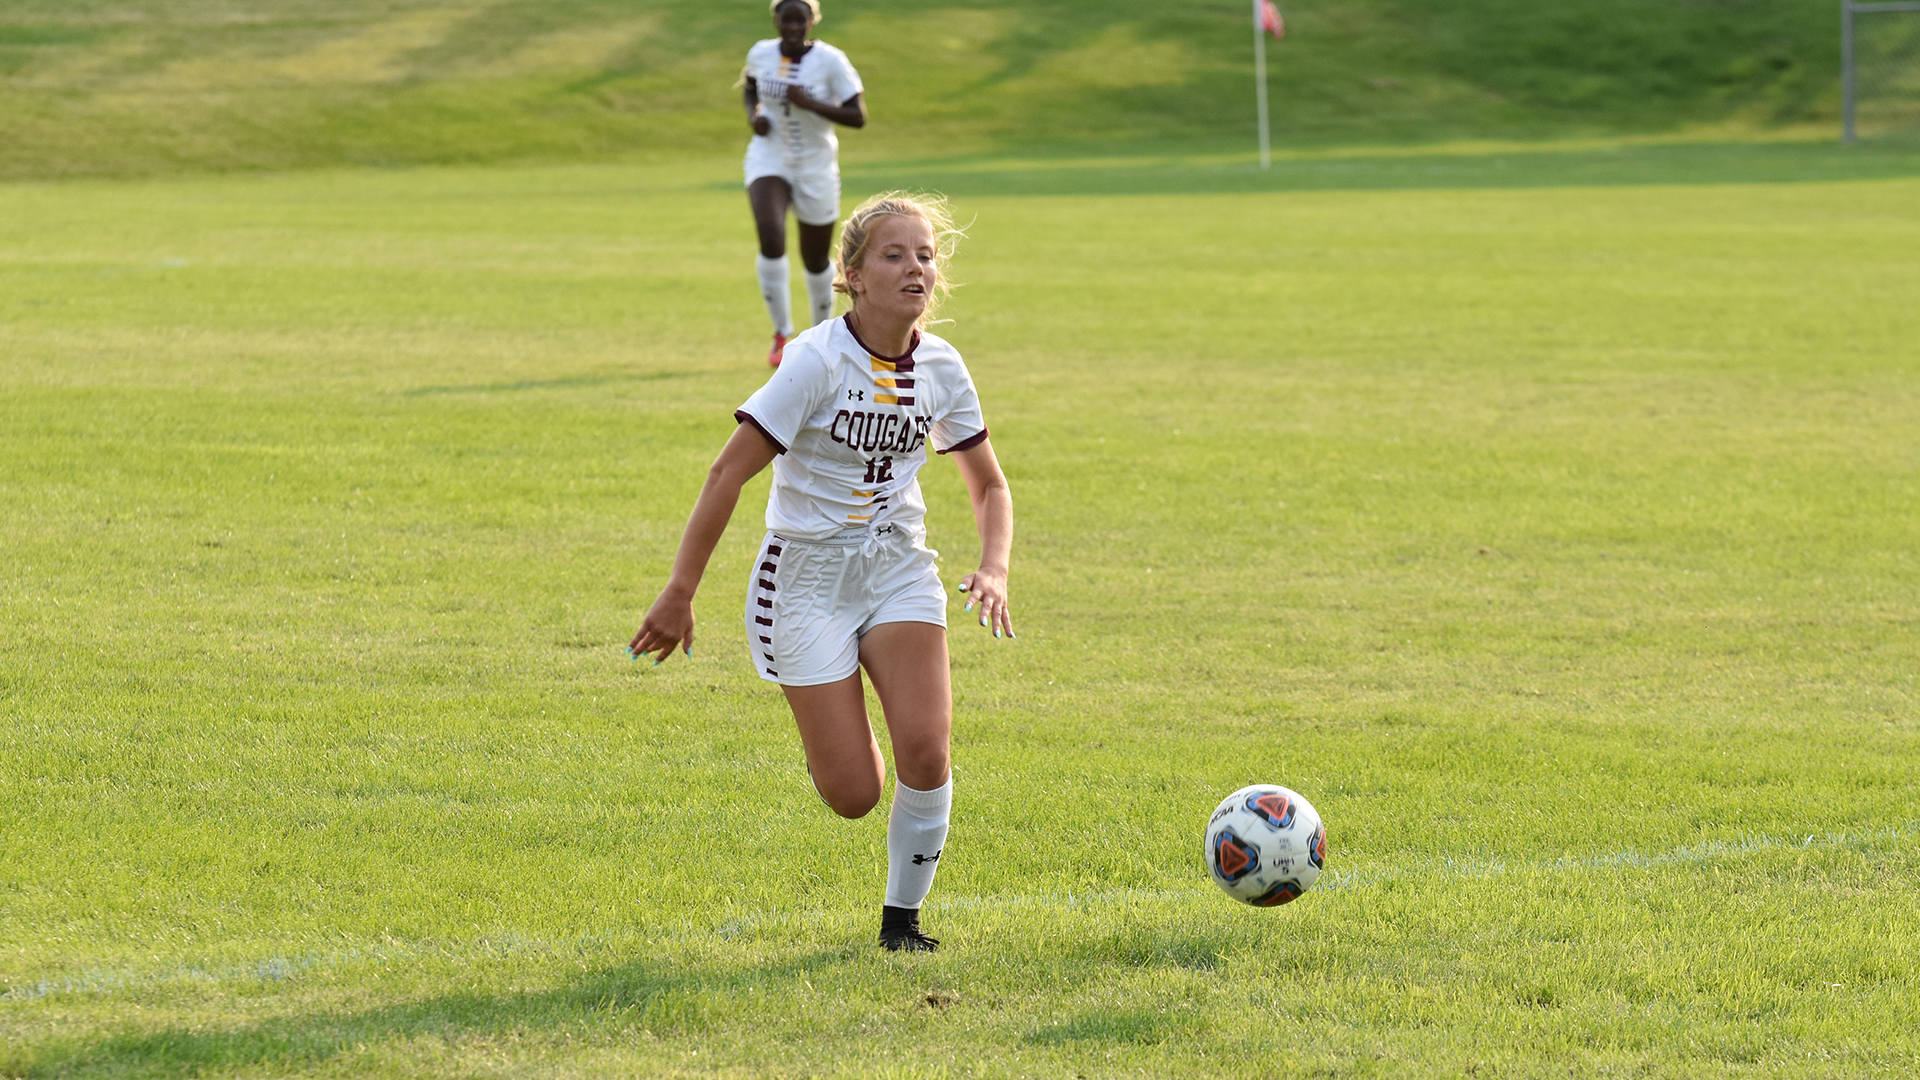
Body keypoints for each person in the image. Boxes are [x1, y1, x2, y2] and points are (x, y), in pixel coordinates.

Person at [629, 192, 1013, 953]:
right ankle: (837, 713)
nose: (916, 268)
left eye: (927, 256)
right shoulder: (814, 359)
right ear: (854, 275)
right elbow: (725, 474)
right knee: (854, 794)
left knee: (928, 754)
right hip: (804, 579)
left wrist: (993, 567)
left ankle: (901, 924)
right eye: (895, 255)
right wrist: (680, 591)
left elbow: (989, 484)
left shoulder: (941, 366)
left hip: (899, 567)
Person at [741, 0, 867, 368]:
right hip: (769, 156)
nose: (793, 27)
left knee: (815, 258)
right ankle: (782, 333)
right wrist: (755, 117)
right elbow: (750, 88)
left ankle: (820, 336)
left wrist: (810, 103)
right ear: (775, 20)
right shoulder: (761, 53)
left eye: (801, 20)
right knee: (770, 232)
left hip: (816, 166)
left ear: (813, 21)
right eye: (786, 19)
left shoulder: (831, 61)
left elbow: (858, 116)